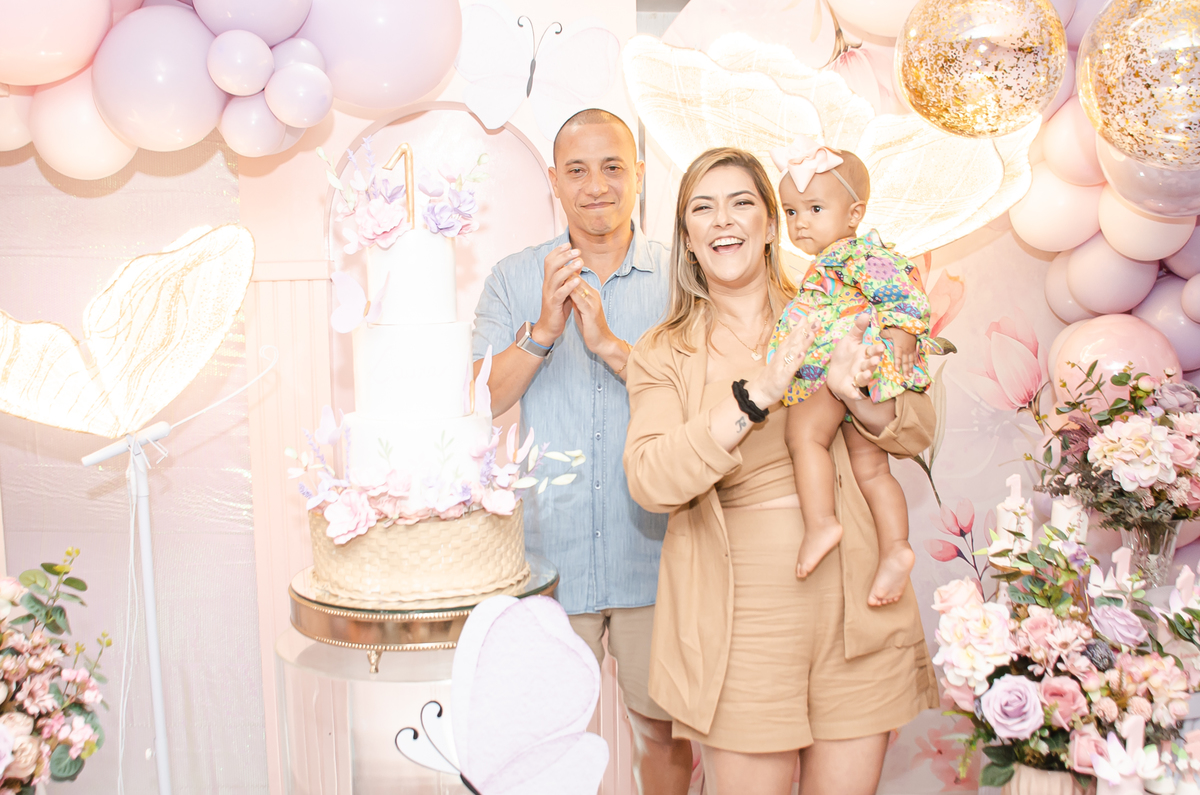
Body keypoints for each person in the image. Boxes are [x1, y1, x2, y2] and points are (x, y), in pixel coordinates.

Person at [624, 147, 937, 794]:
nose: (722, 220)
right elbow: (650, 478)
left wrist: (858, 393)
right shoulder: (662, 351)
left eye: (741, 203)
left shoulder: (835, 304)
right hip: (741, 625)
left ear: (771, 224)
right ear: (687, 238)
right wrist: (756, 395)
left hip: (857, 606)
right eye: (702, 209)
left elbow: (915, 429)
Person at [470, 109, 693, 793]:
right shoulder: (514, 276)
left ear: (640, 175)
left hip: (658, 555)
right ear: (554, 181)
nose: (596, 185)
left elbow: (705, 402)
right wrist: (543, 329)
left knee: (662, 734)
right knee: (545, 743)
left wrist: (614, 349)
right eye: (577, 170)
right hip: (549, 561)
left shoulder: (683, 275)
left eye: (612, 166)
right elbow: (483, 400)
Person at [767, 136, 937, 607]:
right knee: (872, 469)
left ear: (854, 213)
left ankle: (821, 522)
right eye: (791, 212)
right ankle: (896, 547)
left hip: (840, 366)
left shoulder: (851, 255)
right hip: (857, 374)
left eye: (814, 209)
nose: (800, 222)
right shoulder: (831, 262)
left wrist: (902, 333)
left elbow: (903, 289)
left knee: (804, 436)